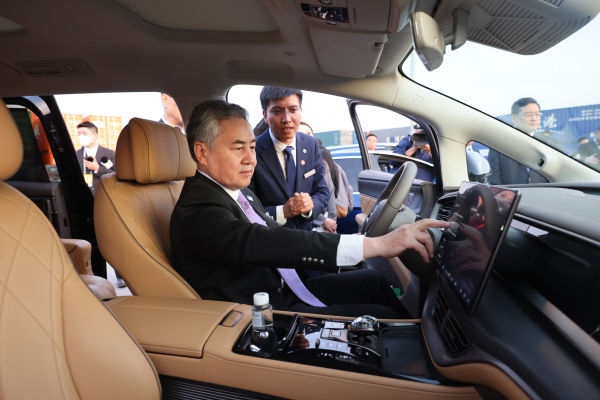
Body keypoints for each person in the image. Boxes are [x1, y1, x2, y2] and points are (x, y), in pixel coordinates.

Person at [169, 100, 450, 318]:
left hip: (286, 289)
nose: (250, 159)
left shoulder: (236, 191)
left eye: (252, 148)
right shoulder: (198, 208)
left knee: (373, 280)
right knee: (381, 317)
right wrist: (377, 245)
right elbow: (270, 241)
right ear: (202, 153)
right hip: (263, 314)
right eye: (238, 148)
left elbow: (276, 230)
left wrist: (357, 242)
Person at [249, 87, 330, 232]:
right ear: (265, 116)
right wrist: (282, 212)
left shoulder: (310, 144)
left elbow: (322, 191)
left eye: (293, 110)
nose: (286, 119)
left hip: (306, 236)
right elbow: (246, 207)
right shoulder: (252, 150)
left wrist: (310, 206)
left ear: (300, 111)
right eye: (277, 111)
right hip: (270, 237)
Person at [488, 98, 547, 185]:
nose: (534, 118)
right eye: (528, 115)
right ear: (514, 117)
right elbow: (494, 179)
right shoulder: (499, 143)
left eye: (537, 114)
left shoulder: (548, 143)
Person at [298, 122, 337, 234]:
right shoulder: (291, 164)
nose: (306, 137)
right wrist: (323, 220)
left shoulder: (322, 163)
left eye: (309, 133)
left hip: (327, 226)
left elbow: (330, 194)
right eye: (301, 134)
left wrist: (331, 225)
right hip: (306, 226)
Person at [75, 121, 115, 196]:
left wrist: (97, 168)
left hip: (103, 195)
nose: (80, 137)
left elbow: (115, 175)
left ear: (94, 136)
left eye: (84, 134)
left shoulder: (109, 153)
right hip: (82, 196)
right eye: (79, 134)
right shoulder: (76, 155)